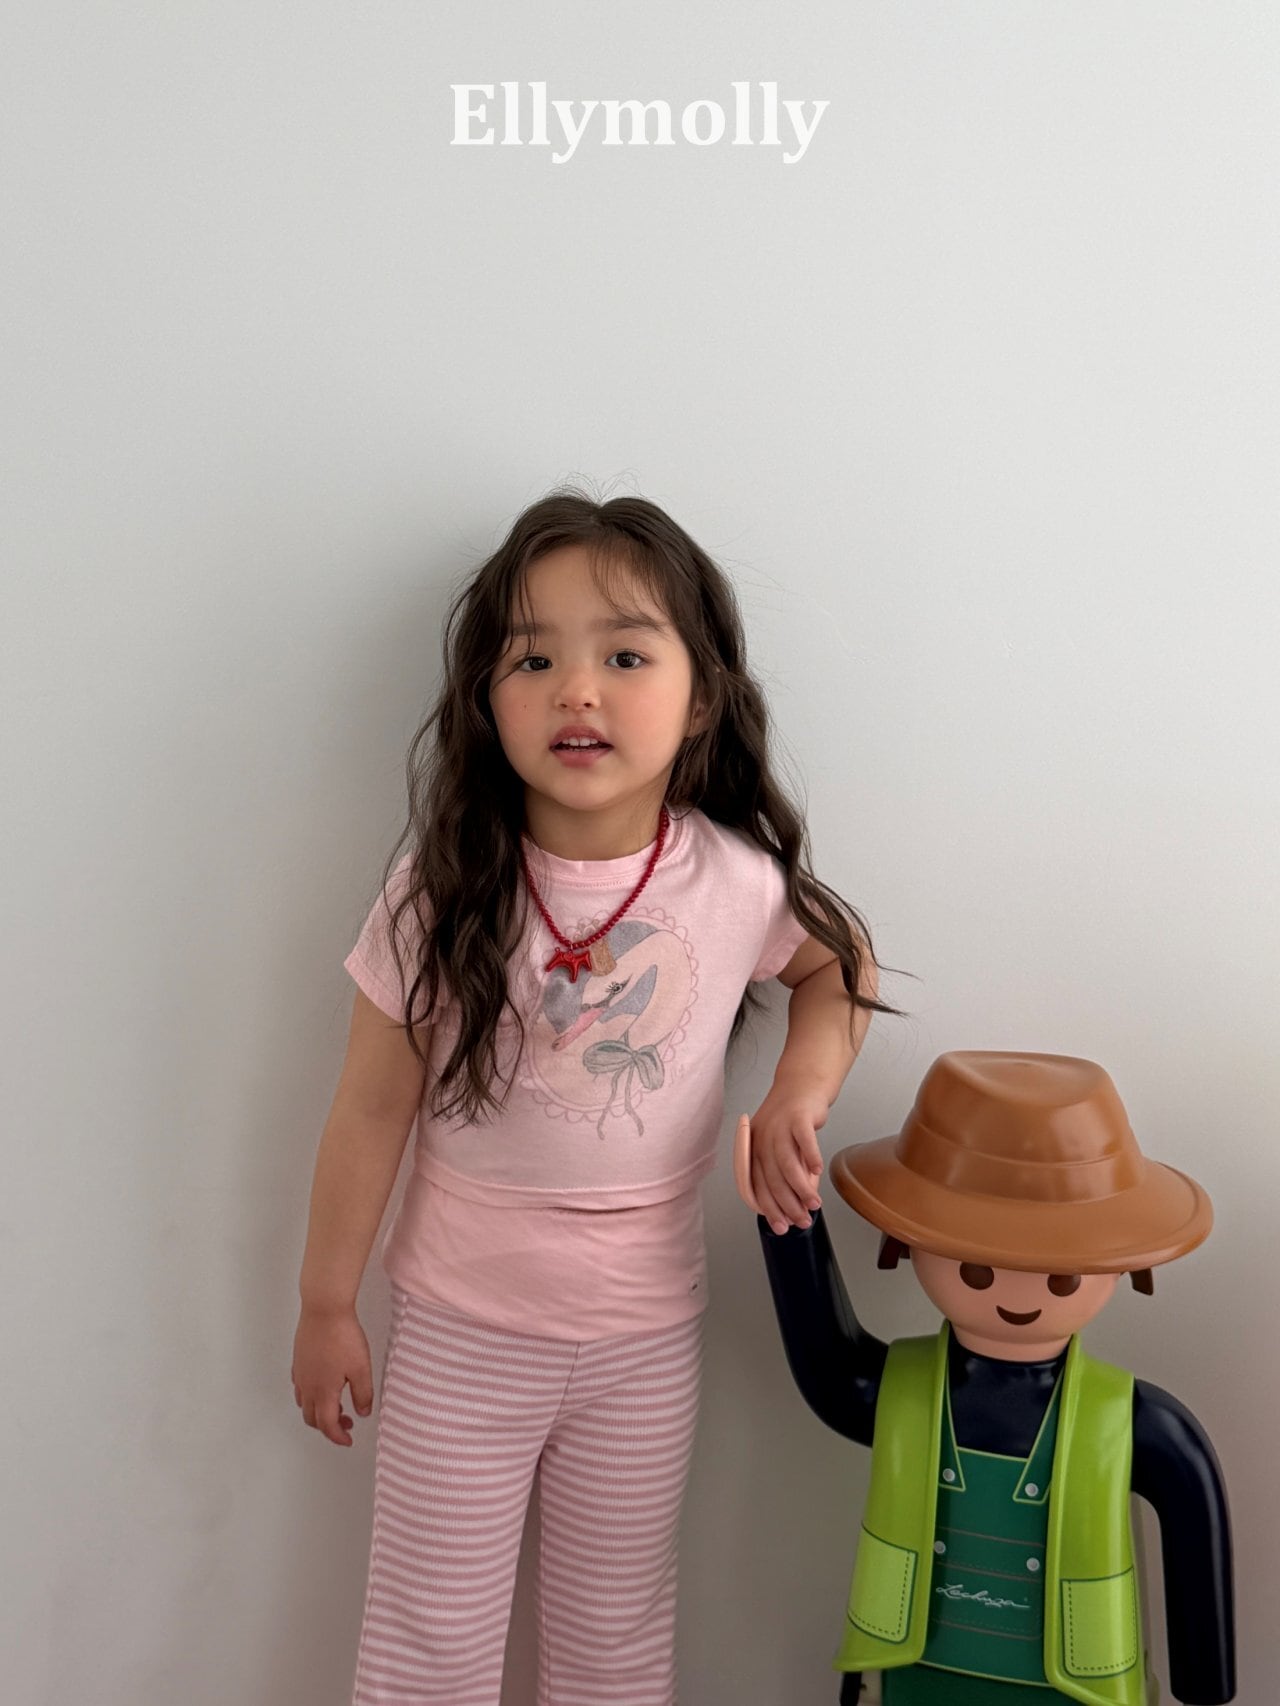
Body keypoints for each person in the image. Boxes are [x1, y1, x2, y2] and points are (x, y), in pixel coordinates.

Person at [290, 488, 888, 1706]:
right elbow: (367, 1108)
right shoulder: (442, 889)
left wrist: (796, 1093)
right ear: (485, 697)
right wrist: (324, 1300)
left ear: (701, 696)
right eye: (533, 658)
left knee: (614, 1640)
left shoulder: (731, 880)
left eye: (623, 655)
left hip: (643, 1340)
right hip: (460, 1333)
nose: (577, 688)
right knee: (428, 1640)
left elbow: (840, 965)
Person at [741, 1050, 1235, 1705]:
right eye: (976, 1268)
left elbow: (1193, 1521)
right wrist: (789, 1223)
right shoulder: (906, 1393)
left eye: (1062, 1276)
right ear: (904, 1242)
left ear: (1126, 1264)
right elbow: (829, 1370)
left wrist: (1205, 1681)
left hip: (1076, 1690)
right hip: (910, 1677)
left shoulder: (1132, 1422)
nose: (1018, 1293)